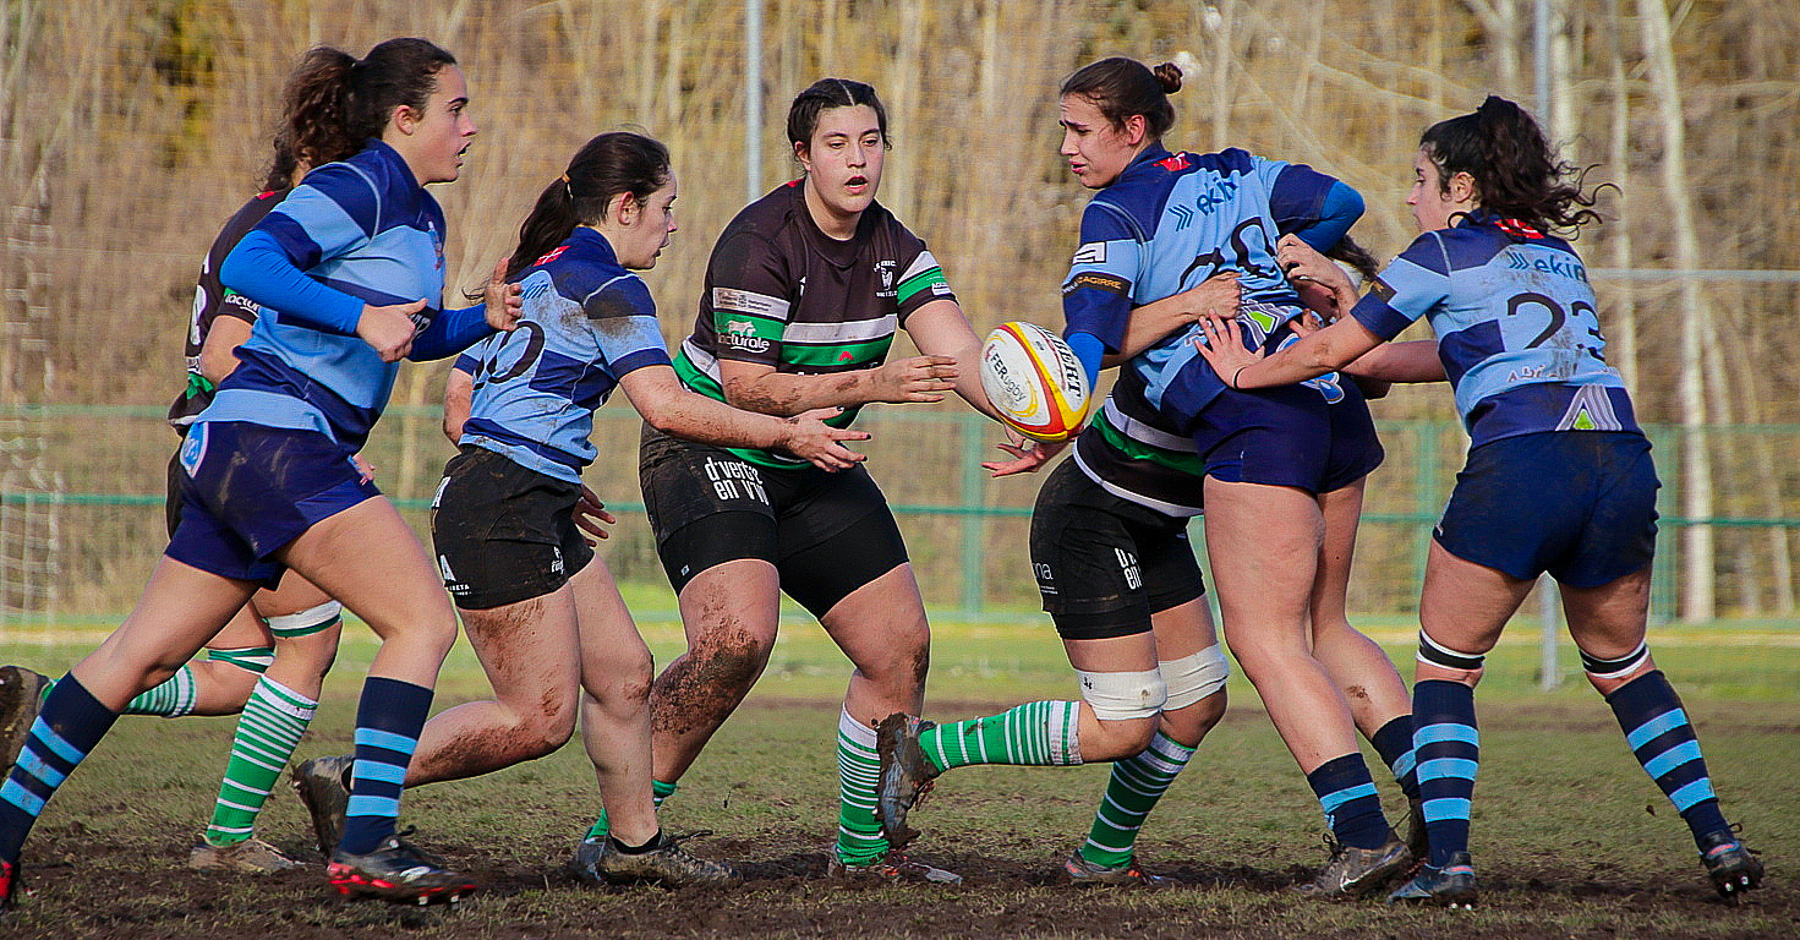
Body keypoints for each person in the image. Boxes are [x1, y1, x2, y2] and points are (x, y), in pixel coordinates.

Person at [1192, 95, 1764, 907]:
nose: (1412, 198)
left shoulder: (1441, 249)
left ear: (1462, 187)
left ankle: (1447, 864)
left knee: (1447, 669)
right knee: (1624, 667)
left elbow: (1335, 351)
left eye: (1421, 180)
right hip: (1619, 461)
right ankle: (1720, 841)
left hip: (1525, 466)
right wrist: (1340, 295)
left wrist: (1242, 372)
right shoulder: (1557, 255)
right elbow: (1416, 358)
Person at [880, 57, 1424, 896]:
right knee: (1159, 708)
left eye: (1078, 129)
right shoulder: (1245, 175)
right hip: (1168, 478)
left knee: (1231, 676)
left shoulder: (1121, 209)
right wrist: (1239, 282)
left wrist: (1056, 404)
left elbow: (1087, 345)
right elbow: (1342, 204)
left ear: (1133, 130)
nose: (1064, 146)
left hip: (1225, 454)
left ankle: (1332, 838)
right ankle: (942, 756)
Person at [0, 37, 517, 909]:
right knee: (422, 622)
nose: (470, 126)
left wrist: (480, 320)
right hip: (279, 441)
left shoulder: (421, 216)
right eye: (456, 109)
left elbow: (407, 335)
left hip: (241, 449)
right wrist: (357, 316)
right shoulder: (357, 183)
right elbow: (252, 264)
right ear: (405, 117)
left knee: (141, 654)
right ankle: (366, 846)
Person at [290, 131, 869, 888]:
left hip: (522, 496)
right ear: (625, 206)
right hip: (500, 508)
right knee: (537, 718)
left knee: (627, 673)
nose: (673, 225)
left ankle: (633, 849)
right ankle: (358, 776)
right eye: (666, 208)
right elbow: (665, 406)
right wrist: (786, 433)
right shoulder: (610, 286)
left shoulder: (534, 275)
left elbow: (459, 407)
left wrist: (548, 465)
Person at [565, 77, 1074, 884]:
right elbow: (746, 387)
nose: (858, 159)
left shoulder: (898, 248)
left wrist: (1038, 418)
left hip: (815, 461)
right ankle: (617, 836)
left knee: (898, 647)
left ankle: (864, 854)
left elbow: (961, 355)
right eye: (838, 144)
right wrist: (870, 385)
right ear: (803, 157)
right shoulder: (759, 240)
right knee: (736, 642)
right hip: (713, 450)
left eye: (871, 142)